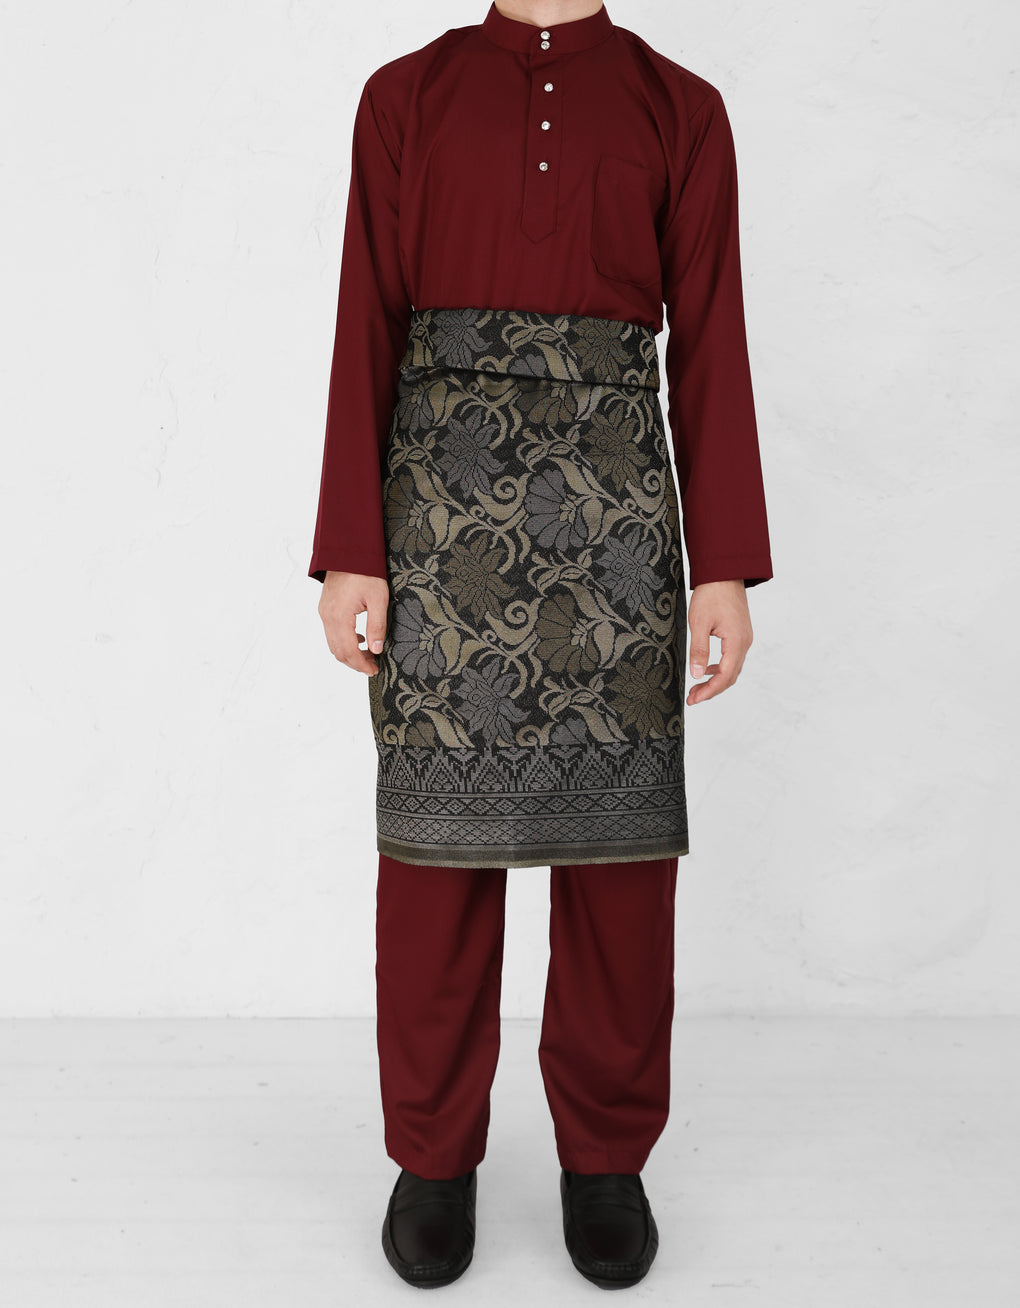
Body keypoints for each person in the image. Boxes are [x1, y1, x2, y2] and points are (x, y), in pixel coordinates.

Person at [308, 0, 773, 1290]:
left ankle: (606, 1161)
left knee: (622, 870)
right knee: (434, 867)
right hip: (440, 519)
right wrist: (351, 544)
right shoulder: (405, 97)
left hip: (618, 526)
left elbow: (713, 338)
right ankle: (432, 1161)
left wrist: (723, 564)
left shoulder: (684, 111)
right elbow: (365, 321)